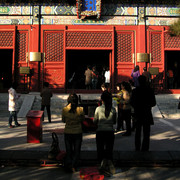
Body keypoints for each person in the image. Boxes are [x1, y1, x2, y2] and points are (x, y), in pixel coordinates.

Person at [131, 75, 156, 151]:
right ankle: (145, 148)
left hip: (138, 113)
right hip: (147, 113)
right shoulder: (150, 90)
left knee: (137, 132)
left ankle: (137, 147)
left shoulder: (135, 91)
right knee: (146, 133)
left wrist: (136, 106)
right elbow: (153, 103)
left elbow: (132, 102)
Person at [93, 91, 116, 175]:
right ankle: (110, 164)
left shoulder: (98, 109)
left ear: (102, 100)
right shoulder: (113, 109)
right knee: (109, 149)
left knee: (100, 149)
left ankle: (101, 164)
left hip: (100, 132)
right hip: (110, 132)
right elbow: (114, 121)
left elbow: (95, 121)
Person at [62, 93, 85, 172]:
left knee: (69, 150)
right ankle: (74, 165)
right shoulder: (80, 109)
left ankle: (68, 164)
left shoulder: (65, 109)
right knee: (76, 150)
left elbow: (63, 120)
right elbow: (83, 119)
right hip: (78, 131)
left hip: (68, 131)